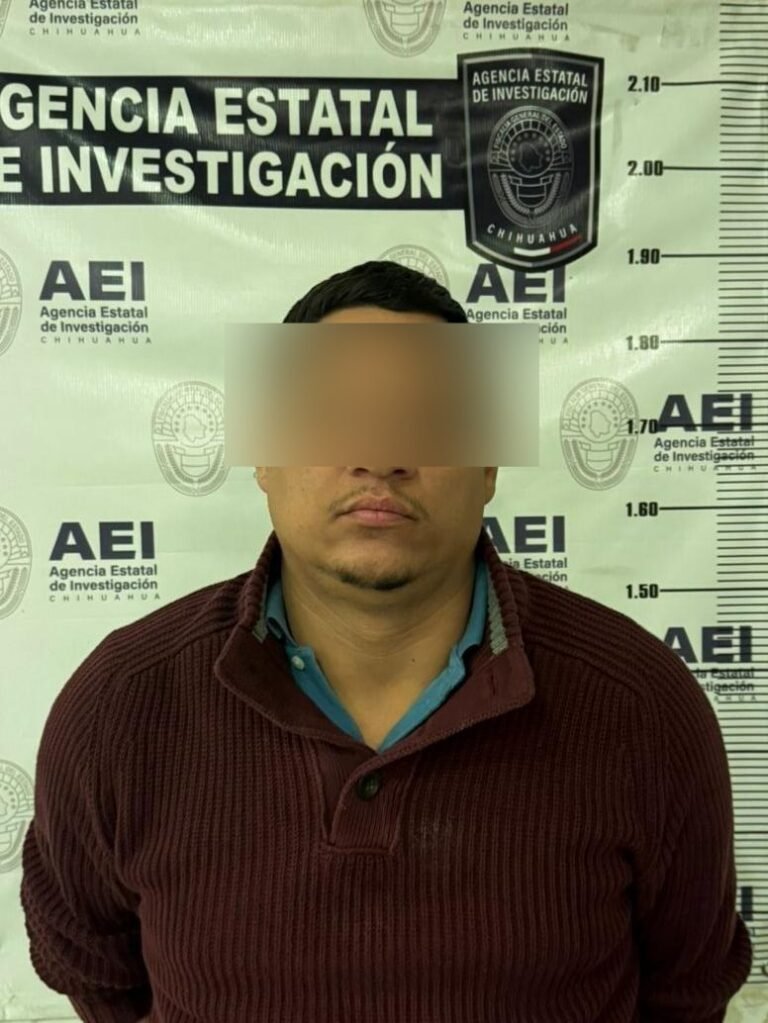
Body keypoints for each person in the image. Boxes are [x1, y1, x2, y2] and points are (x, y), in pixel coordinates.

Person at [20, 261, 752, 1022]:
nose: (379, 455)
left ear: (489, 463)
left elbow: (687, 993)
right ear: (264, 452)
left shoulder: (641, 707)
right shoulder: (121, 707)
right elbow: (99, 979)